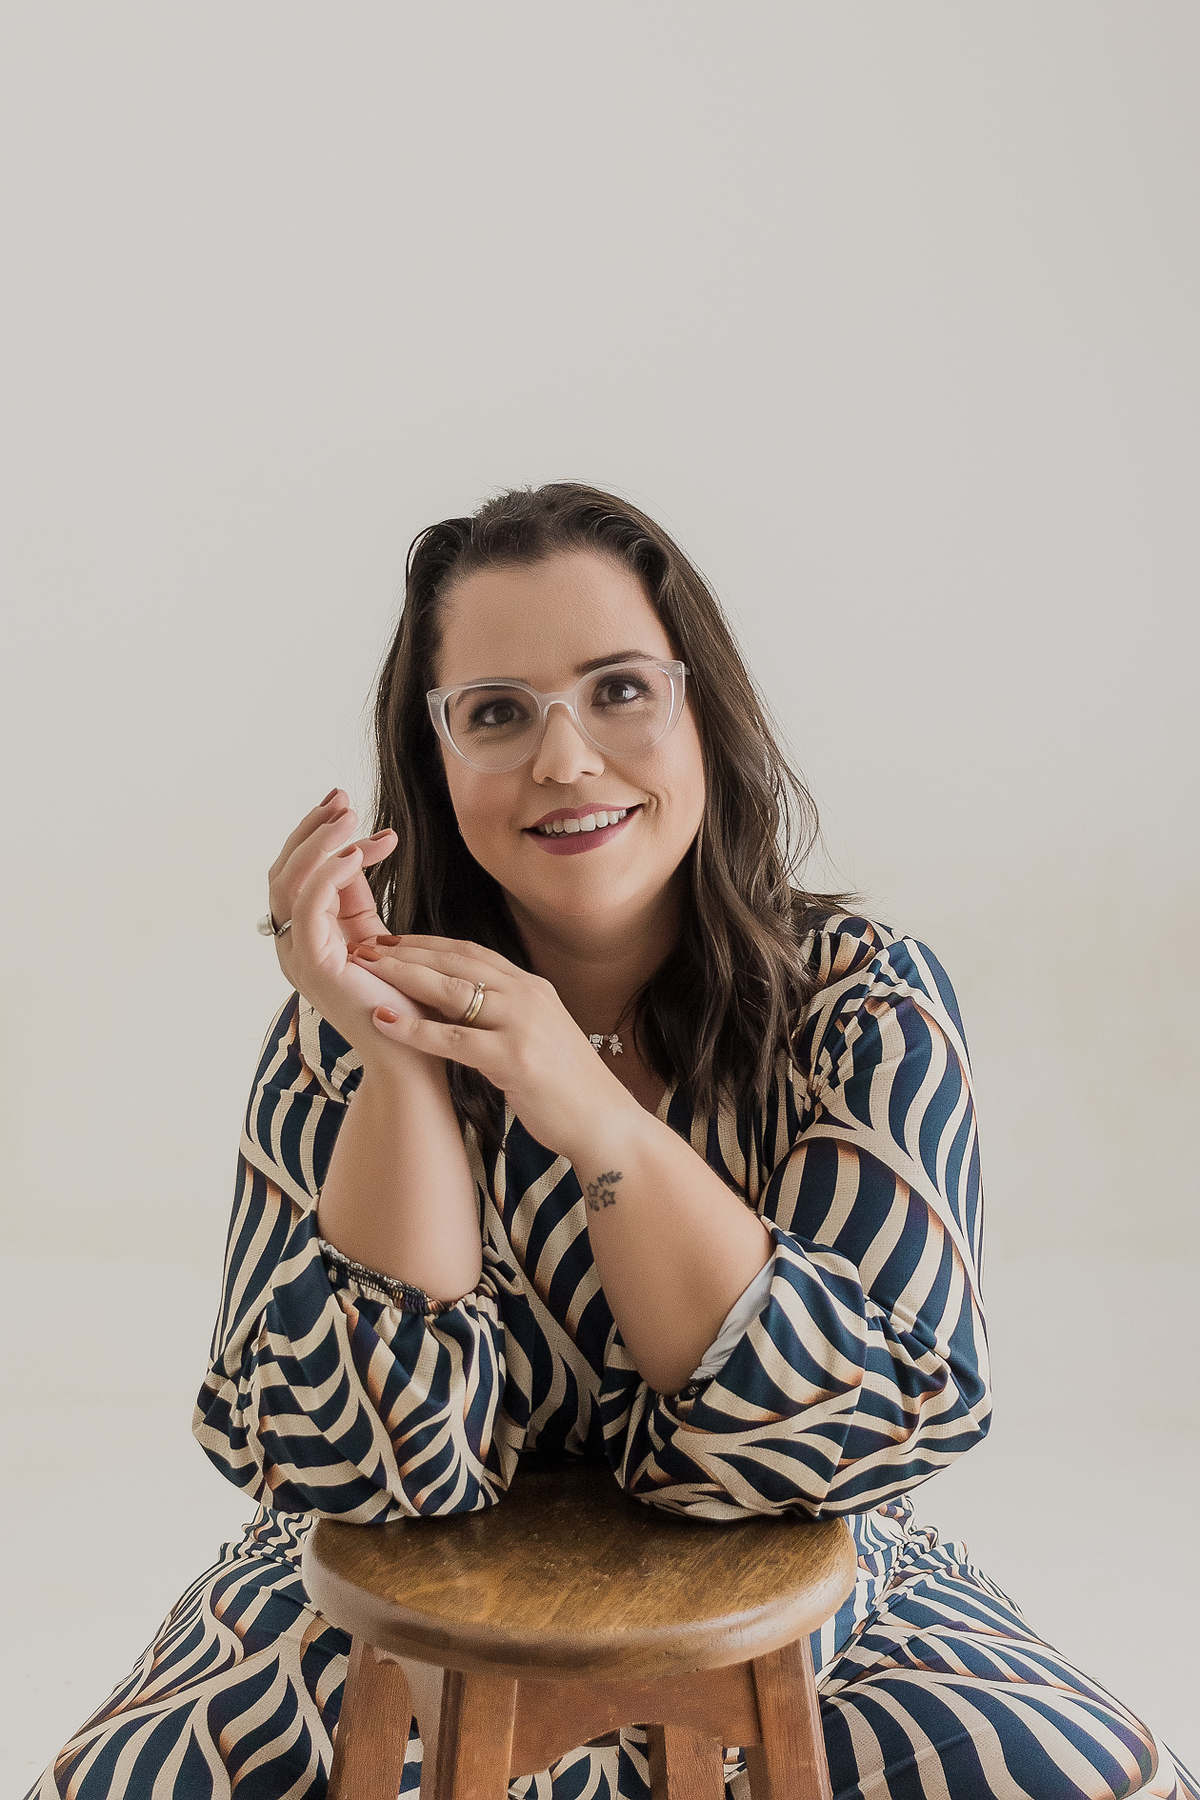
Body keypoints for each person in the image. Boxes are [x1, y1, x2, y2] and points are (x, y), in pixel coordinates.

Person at [32, 484, 1196, 1800]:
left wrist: (579, 1102)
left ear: (705, 712)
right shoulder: (339, 1027)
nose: (567, 760)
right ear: (435, 763)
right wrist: (400, 1058)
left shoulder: (865, 1003)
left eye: (621, 690)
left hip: (816, 1622)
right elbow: (354, 1470)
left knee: (1084, 1776)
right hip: (372, 1636)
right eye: (497, 712)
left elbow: (868, 1426)